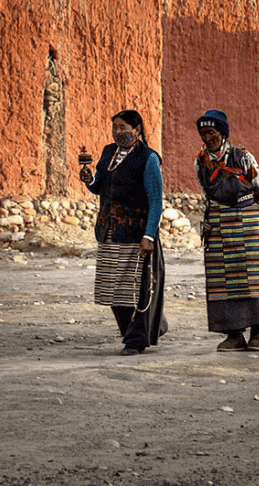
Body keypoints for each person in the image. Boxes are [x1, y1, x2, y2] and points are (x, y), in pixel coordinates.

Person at [194, 109, 259, 352]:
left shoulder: (243, 156)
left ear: (222, 133)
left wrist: (253, 219)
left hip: (247, 223)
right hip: (217, 223)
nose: (207, 137)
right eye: (203, 133)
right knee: (221, 280)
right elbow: (207, 192)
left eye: (211, 132)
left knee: (253, 277)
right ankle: (233, 335)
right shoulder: (199, 161)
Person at [80, 110, 168, 356]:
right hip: (109, 230)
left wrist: (149, 235)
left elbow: (155, 201)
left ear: (137, 129)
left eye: (123, 128)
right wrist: (89, 179)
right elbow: (99, 187)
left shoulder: (148, 158)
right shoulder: (108, 153)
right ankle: (151, 326)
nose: (118, 133)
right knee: (113, 288)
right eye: (114, 128)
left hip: (136, 233)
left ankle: (136, 340)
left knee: (137, 288)